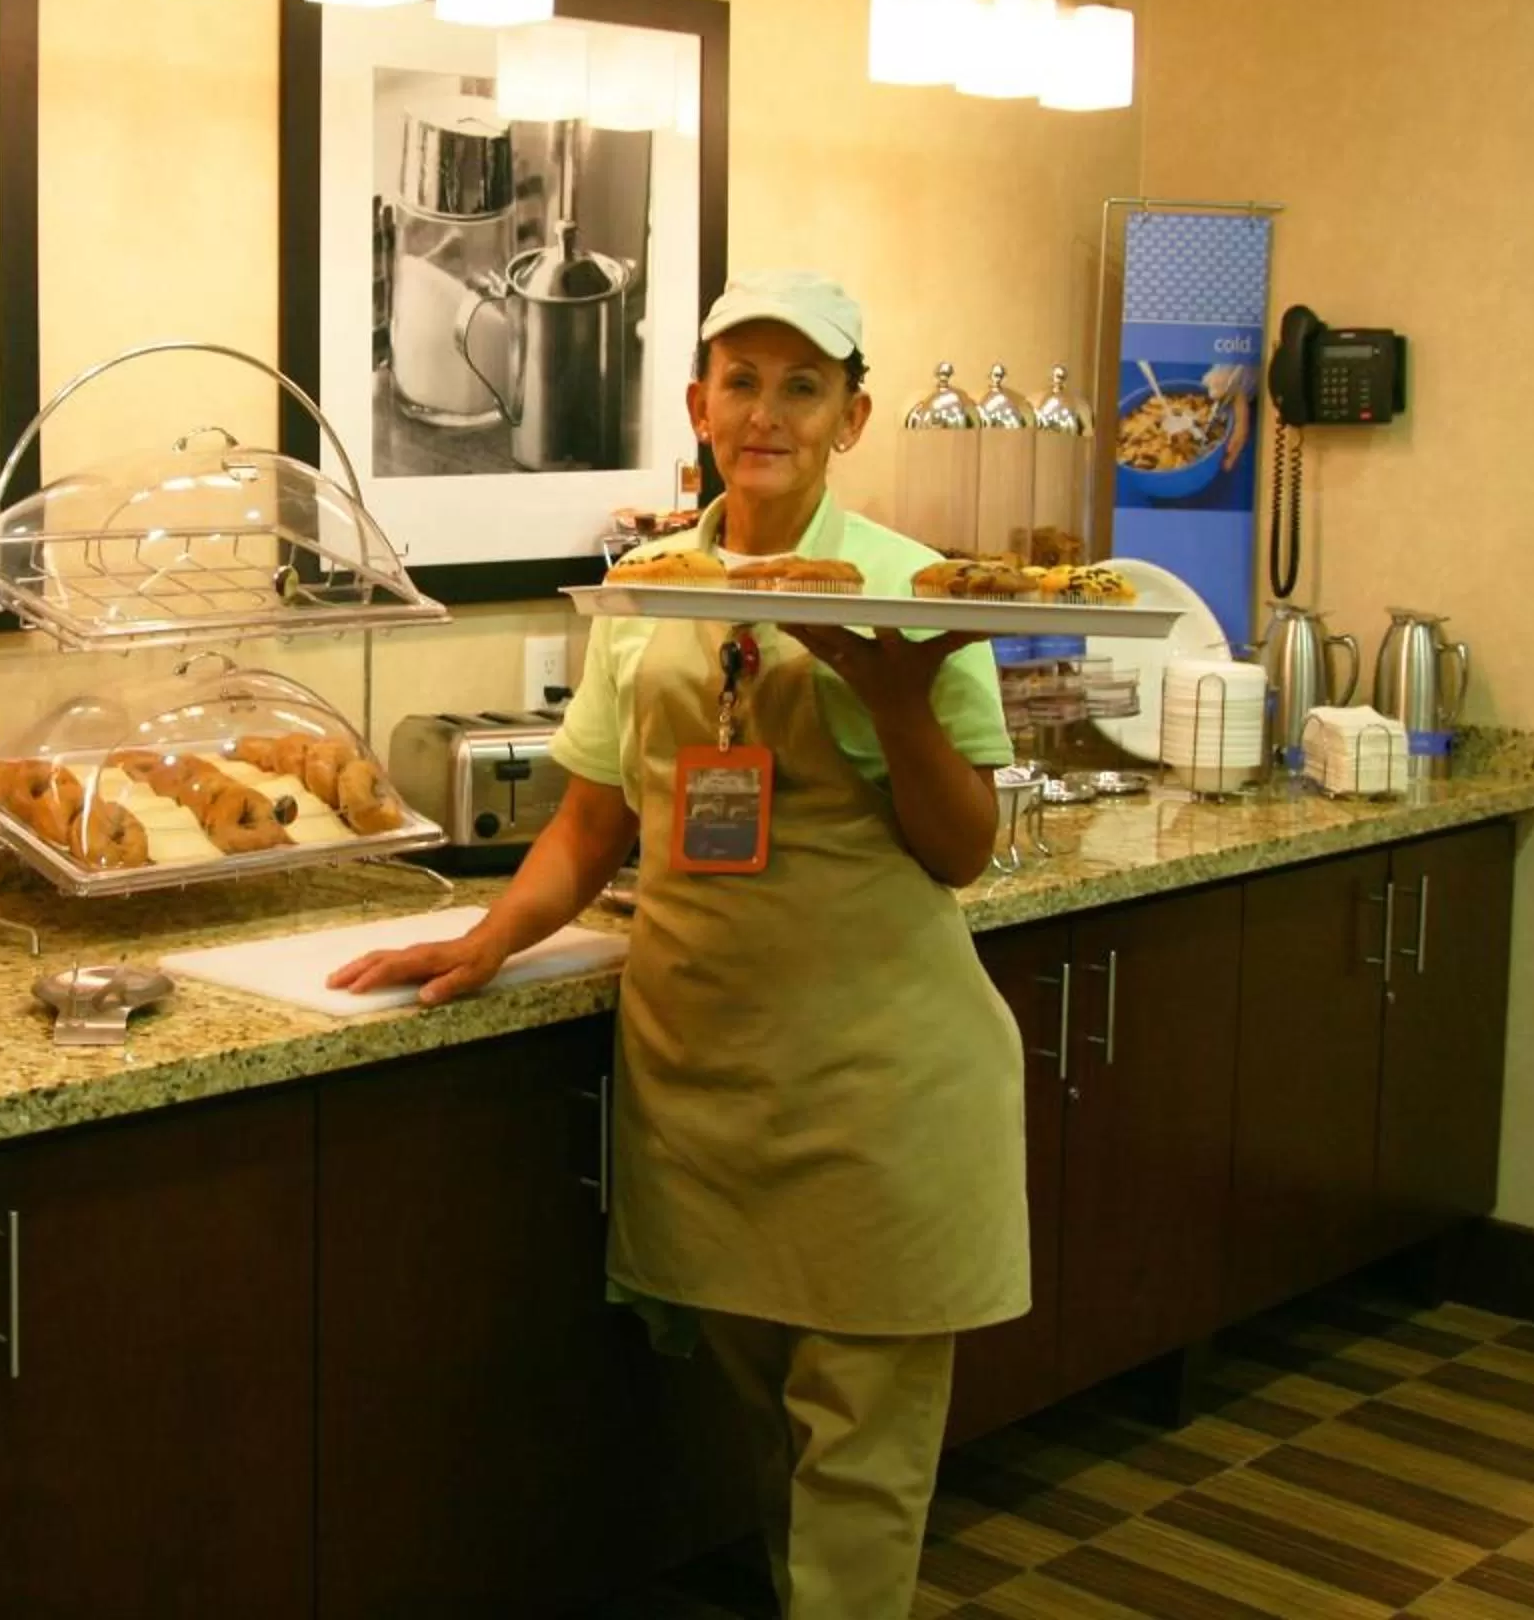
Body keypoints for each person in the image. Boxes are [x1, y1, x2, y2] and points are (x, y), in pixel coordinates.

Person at [331, 269, 1029, 1620]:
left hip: (882, 1082)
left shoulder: (915, 592)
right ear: (702, 406)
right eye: (744, 383)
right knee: (767, 1439)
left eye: (803, 386)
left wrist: (899, 706)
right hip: (700, 1079)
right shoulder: (649, 591)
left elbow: (964, 850)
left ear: (853, 415)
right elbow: (593, 824)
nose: (768, 412)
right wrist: (487, 939)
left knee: (862, 1465)